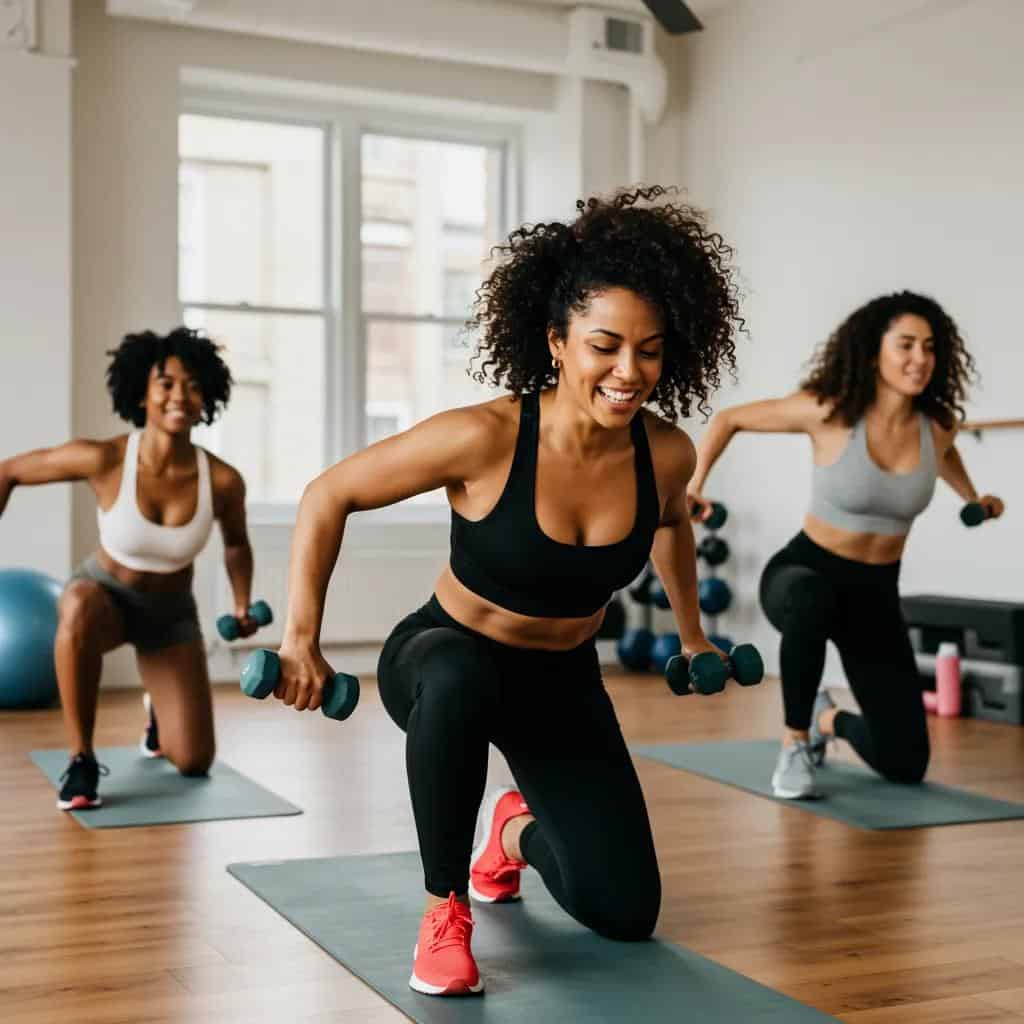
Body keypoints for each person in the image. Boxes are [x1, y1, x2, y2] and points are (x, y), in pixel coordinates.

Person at [268, 186, 746, 995]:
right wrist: (300, 638)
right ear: (557, 341)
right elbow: (327, 495)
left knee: (625, 909)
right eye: (605, 345)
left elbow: (670, 524)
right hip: (440, 655)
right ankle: (443, 909)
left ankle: (511, 831)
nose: (630, 371)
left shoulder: (665, 452)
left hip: (560, 679)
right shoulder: (484, 437)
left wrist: (692, 635)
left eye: (652, 350)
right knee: (460, 676)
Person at [689, 291, 1005, 800]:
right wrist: (695, 485)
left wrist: (974, 498)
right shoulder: (830, 410)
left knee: (905, 762)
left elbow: (945, 456)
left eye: (929, 347)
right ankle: (793, 744)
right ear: (873, 350)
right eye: (905, 344)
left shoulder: (936, 425)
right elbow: (730, 419)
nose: (919, 358)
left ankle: (826, 719)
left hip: (874, 597)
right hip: (801, 576)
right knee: (811, 598)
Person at [0, 327, 257, 810]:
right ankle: (81, 760)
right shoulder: (107, 458)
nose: (180, 395)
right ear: (142, 391)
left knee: (194, 761)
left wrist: (242, 602)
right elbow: (9, 470)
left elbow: (237, 545)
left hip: (171, 615)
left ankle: (156, 714)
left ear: (208, 398)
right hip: (105, 600)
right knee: (75, 602)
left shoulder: (222, 480)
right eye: (166, 382)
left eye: (194, 385)